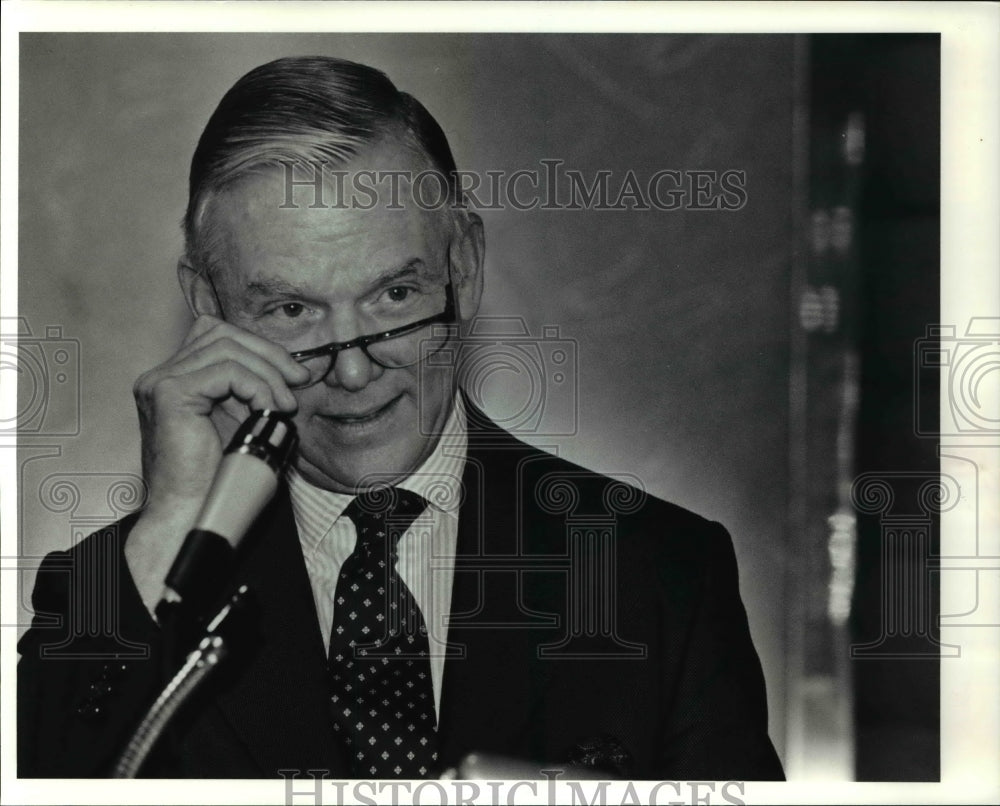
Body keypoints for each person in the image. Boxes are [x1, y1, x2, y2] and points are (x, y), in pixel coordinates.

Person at [17, 55, 784, 781]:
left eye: (394, 297)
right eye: (292, 309)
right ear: (211, 311)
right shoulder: (105, 591)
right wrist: (172, 533)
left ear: (465, 270)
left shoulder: (657, 576)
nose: (353, 370)